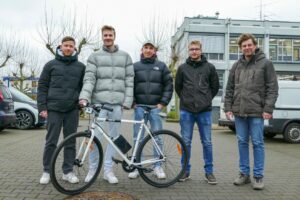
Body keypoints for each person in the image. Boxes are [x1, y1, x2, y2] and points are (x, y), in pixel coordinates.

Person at [79, 25, 134, 184]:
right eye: (105, 35)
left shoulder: (125, 57)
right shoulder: (94, 56)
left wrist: (127, 101)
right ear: (102, 37)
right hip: (99, 105)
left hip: (117, 105)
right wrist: (84, 97)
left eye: (110, 35)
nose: (108, 37)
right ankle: (92, 170)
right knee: (95, 138)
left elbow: (129, 81)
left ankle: (108, 171)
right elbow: (89, 79)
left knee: (114, 138)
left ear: (114, 36)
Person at [224, 33, 278, 190]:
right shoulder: (237, 65)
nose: (247, 48)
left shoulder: (266, 64)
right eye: (244, 46)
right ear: (241, 48)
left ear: (255, 45)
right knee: (241, 142)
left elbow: (272, 88)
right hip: (239, 112)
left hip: (257, 113)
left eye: (249, 45)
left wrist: (268, 109)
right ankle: (244, 174)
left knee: (257, 143)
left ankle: (258, 176)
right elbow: (230, 88)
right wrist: (228, 107)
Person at [38, 36, 86, 184]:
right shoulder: (50, 65)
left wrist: (81, 103)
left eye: (71, 46)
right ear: (60, 46)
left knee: (70, 142)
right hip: (53, 109)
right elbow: (42, 87)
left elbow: (83, 88)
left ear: (74, 48)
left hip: (72, 110)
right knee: (51, 141)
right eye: (65, 45)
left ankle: (68, 171)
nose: (68, 48)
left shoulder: (81, 67)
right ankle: (47, 171)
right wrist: (42, 107)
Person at [175, 40, 219, 184]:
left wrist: (205, 100)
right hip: (186, 111)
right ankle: (185, 170)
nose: (194, 51)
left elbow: (214, 87)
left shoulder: (210, 68)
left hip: (204, 111)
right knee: (185, 142)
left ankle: (209, 172)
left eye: (196, 49)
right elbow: (178, 88)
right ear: (188, 51)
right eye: (191, 49)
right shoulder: (182, 68)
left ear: (201, 50)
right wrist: (187, 100)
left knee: (207, 142)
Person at [127, 41, 173, 179]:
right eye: (146, 48)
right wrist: (133, 103)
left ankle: (157, 166)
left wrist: (162, 103)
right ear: (142, 50)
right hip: (139, 107)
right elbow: (129, 85)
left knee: (157, 137)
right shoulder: (134, 66)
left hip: (155, 108)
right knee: (137, 138)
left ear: (154, 51)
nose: (148, 50)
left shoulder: (161, 66)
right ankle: (136, 166)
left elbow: (169, 86)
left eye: (150, 48)